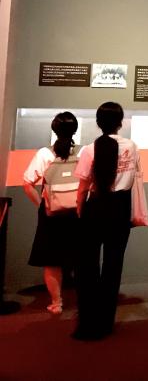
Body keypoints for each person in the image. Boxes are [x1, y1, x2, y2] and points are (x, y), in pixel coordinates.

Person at [73, 102, 140, 340]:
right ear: (120, 122)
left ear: (98, 122)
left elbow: (83, 186)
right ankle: (105, 322)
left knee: (88, 266)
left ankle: (87, 321)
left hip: (95, 207)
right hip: (120, 208)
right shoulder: (131, 147)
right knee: (113, 264)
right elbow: (134, 177)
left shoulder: (89, 149)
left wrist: (79, 208)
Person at [22, 112, 80, 315]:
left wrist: (42, 205)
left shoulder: (44, 153)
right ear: (75, 130)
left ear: (54, 129)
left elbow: (27, 183)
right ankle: (86, 301)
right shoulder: (83, 152)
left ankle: (56, 303)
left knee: (52, 261)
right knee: (81, 257)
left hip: (51, 216)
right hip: (78, 214)